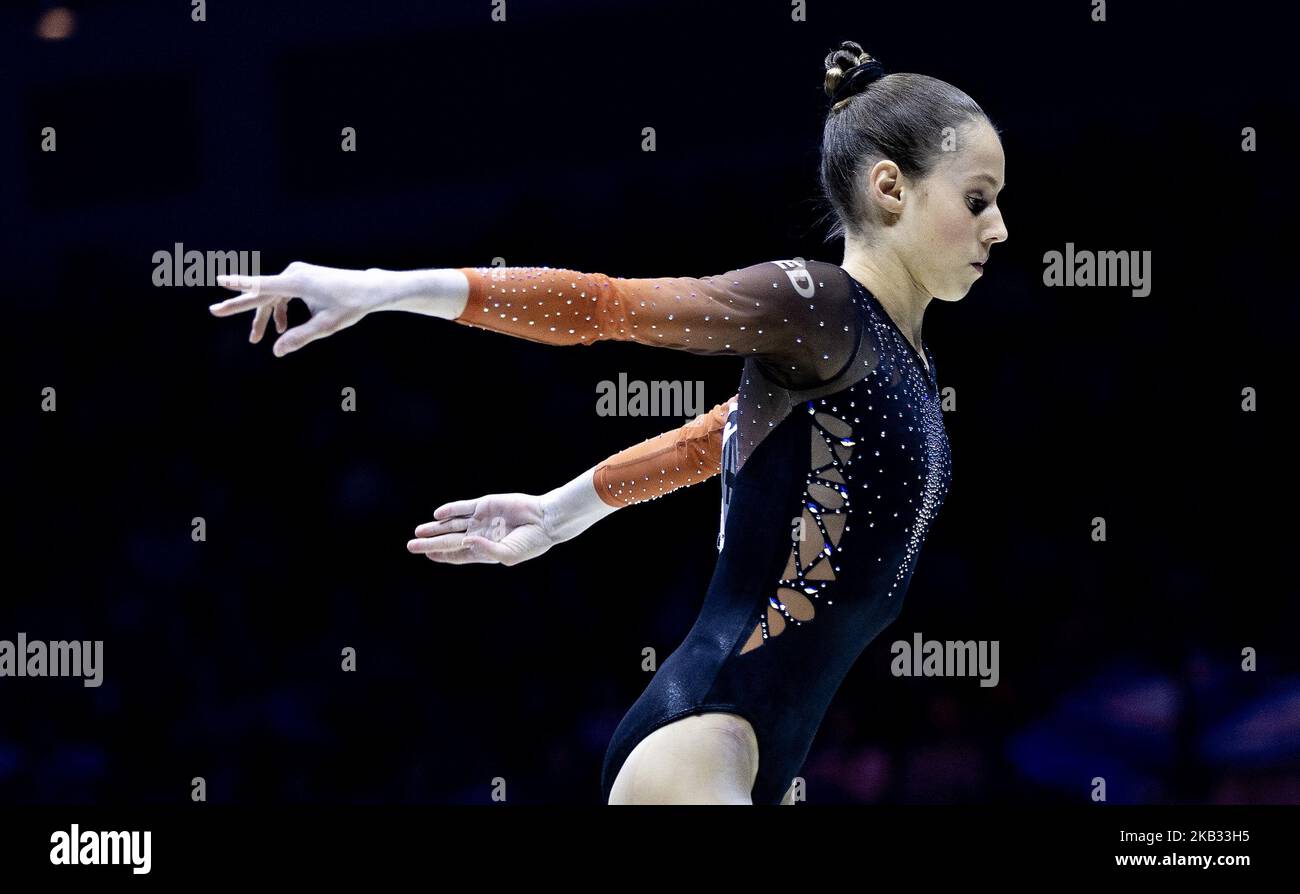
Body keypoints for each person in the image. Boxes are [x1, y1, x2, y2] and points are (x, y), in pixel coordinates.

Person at [209, 40, 1008, 804]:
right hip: (696, 746)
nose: (998, 228)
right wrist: (379, 286)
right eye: (977, 199)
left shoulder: (899, 362)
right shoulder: (818, 306)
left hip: (750, 754)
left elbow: (724, 437)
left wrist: (562, 511)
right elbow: (603, 306)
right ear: (890, 188)